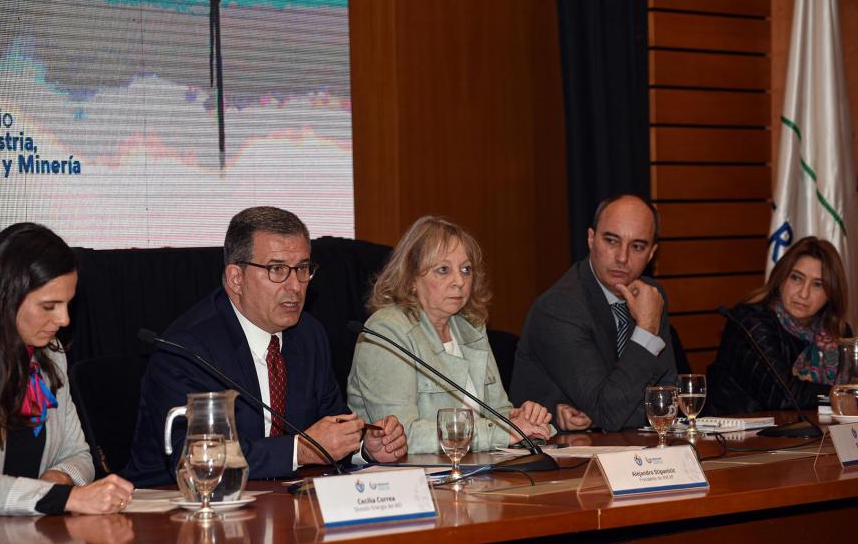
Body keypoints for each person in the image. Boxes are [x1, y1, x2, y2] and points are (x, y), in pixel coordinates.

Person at [124, 207, 407, 484]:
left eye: (303, 269)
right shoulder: (188, 348)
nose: (295, 286)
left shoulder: (308, 336)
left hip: (276, 504)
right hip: (172, 508)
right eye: (277, 269)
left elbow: (332, 425)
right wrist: (301, 450)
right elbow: (198, 459)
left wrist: (364, 447)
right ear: (236, 278)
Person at [0, 223, 134, 518]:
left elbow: (79, 455)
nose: (64, 319)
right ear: (5, 297)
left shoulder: (49, 357)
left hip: (24, 539)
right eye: (49, 306)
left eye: (67, 304)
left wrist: (59, 479)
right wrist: (63, 498)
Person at [347, 216, 553, 454]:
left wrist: (524, 419)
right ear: (412, 278)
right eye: (443, 270)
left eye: (466, 270)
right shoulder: (387, 332)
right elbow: (402, 435)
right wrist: (503, 432)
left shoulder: (469, 327)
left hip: (474, 470)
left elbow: (497, 411)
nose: (459, 281)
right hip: (413, 478)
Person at [509, 194, 678, 432]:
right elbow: (610, 414)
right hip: (555, 458)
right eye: (611, 241)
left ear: (651, 254)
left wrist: (600, 414)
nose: (622, 257)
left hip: (624, 448)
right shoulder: (560, 307)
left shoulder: (651, 295)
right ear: (591, 239)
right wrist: (647, 329)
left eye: (637, 246)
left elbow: (667, 400)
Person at [707, 237, 850, 415]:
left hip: (813, 435)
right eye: (796, 278)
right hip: (734, 437)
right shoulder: (750, 322)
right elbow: (783, 396)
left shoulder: (838, 333)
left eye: (818, 284)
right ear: (781, 278)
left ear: (832, 293)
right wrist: (840, 395)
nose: (803, 293)